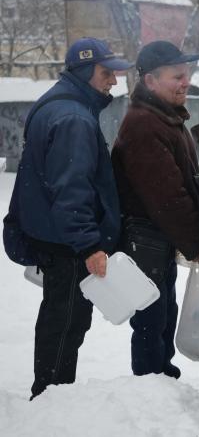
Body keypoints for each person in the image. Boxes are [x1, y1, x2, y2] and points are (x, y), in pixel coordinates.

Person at [2, 37, 130, 398]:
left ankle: (50, 390)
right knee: (66, 322)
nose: (113, 82)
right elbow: (71, 189)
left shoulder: (58, 104)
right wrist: (89, 244)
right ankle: (50, 398)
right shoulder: (73, 118)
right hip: (68, 245)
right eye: (107, 73)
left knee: (59, 316)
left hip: (54, 237)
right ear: (85, 71)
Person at [111, 40, 199, 378]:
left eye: (186, 75)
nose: (185, 82)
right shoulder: (145, 124)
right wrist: (196, 239)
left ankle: (160, 375)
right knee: (151, 317)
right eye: (176, 76)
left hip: (158, 237)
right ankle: (150, 383)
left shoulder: (165, 118)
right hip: (146, 237)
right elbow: (167, 196)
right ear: (150, 81)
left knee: (162, 313)